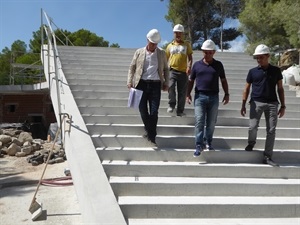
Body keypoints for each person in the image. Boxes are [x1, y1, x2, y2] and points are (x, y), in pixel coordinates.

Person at [241, 44, 285, 167]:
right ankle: (251, 142)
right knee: (252, 127)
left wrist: (283, 106)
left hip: (272, 103)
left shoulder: (276, 71)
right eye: (257, 58)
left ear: (268, 56)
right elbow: (246, 89)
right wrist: (243, 104)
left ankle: (267, 156)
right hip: (256, 103)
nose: (259, 60)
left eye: (261, 57)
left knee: (271, 130)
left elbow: (280, 89)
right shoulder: (252, 72)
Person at [186, 39, 229, 157]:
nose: (208, 54)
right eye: (206, 52)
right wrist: (187, 94)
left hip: (214, 96)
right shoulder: (196, 65)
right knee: (199, 120)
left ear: (214, 52)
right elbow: (191, 80)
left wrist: (227, 94)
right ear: (202, 52)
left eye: (210, 52)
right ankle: (199, 144)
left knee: (211, 122)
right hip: (200, 96)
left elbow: (223, 80)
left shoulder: (218, 65)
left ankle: (208, 141)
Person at [127, 29, 169, 146]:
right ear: (147, 40)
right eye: (152, 43)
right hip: (141, 83)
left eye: (155, 44)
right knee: (143, 110)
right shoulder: (139, 52)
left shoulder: (161, 53)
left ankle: (152, 135)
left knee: (154, 112)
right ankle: (149, 131)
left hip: (155, 84)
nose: (153, 46)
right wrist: (129, 81)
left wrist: (166, 82)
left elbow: (166, 68)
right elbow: (132, 67)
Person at [165, 24, 193, 117]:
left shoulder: (186, 45)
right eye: (176, 33)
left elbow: (190, 57)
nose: (178, 35)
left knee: (182, 92)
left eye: (180, 33)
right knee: (171, 87)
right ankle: (171, 104)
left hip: (183, 72)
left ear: (182, 34)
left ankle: (180, 110)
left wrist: (189, 66)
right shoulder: (169, 46)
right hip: (172, 70)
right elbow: (166, 58)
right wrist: (164, 70)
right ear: (174, 34)